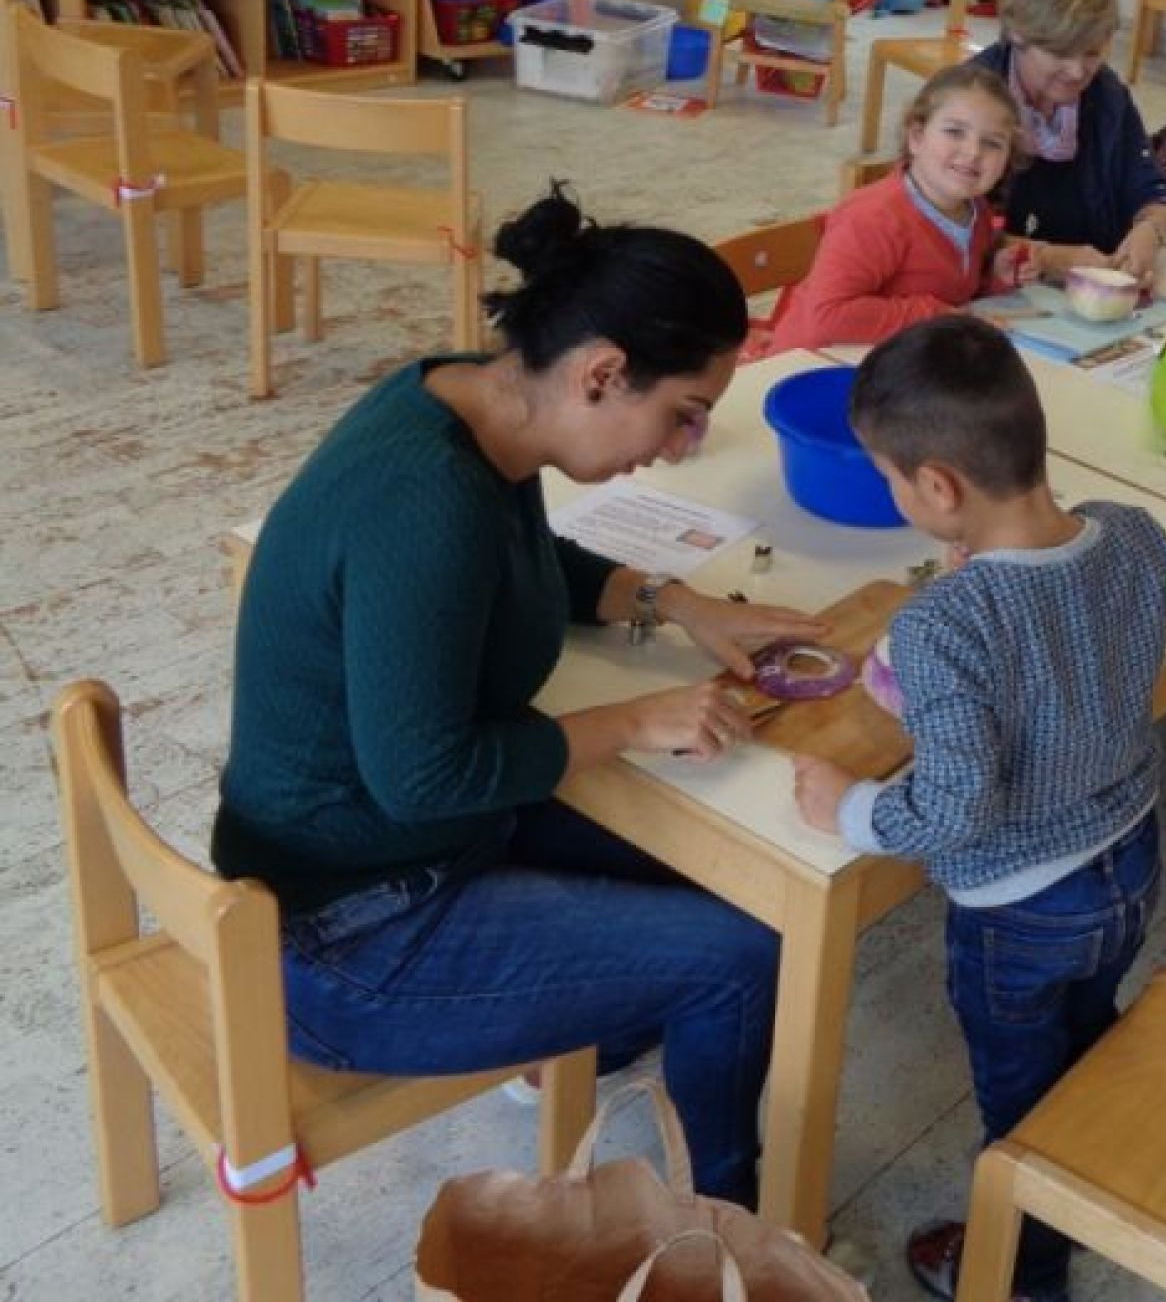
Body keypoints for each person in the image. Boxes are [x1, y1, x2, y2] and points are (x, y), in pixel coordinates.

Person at [213, 187, 830, 1205]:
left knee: (735, 867)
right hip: (347, 940)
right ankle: (723, 1226)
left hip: (388, 860)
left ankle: (586, 1029)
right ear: (602, 373)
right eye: (682, 413)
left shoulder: (469, 401)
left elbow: (520, 558)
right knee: (739, 955)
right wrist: (634, 720)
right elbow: (425, 776)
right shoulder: (426, 503)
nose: (681, 444)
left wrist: (674, 603)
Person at [790, 316, 1166, 1302]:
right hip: (1131, 860)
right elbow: (1155, 589)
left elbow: (955, 808)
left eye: (889, 477)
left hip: (1020, 907)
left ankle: (1021, 1275)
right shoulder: (1131, 532)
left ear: (937, 488)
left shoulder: (941, 622)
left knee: (1017, 1109)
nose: (893, 493)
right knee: (1084, 1044)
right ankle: (1081, 1184)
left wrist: (851, 809)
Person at [763, 65, 1035, 354]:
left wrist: (996, 279)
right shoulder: (873, 217)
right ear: (916, 137)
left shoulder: (977, 211)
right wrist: (939, 318)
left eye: (992, 143)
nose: (973, 152)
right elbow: (827, 317)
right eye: (955, 132)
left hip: (901, 357)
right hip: (814, 362)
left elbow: (952, 292)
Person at [968, 0, 1166, 282]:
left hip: (1088, 288)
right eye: (1060, 53)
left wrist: (1150, 231)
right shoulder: (969, 101)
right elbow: (944, 228)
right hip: (994, 289)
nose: (1078, 71)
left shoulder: (1106, 95)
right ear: (1017, 34)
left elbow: (1154, 192)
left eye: (1092, 53)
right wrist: (1045, 257)